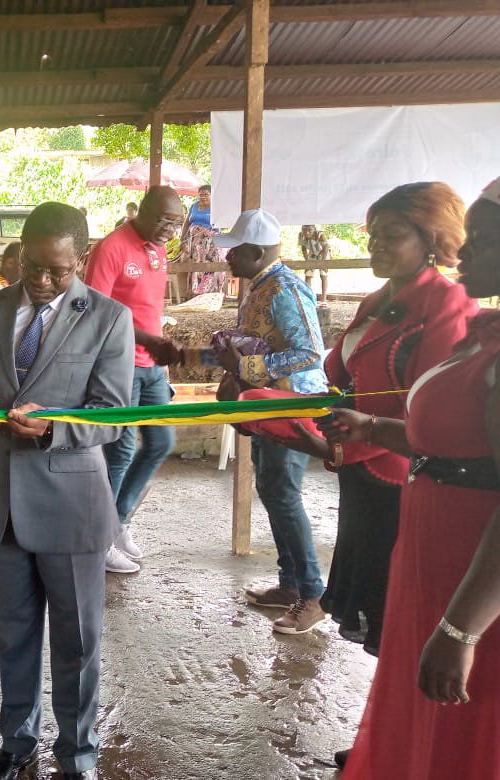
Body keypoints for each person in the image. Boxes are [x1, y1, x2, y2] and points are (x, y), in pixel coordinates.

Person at [0, 202, 134, 780]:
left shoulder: (107, 318)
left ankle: (77, 753)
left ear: (80, 259)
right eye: (34, 266)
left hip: (72, 505)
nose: (44, 280)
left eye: (58, 270)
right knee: (14, 634)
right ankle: (17, 740)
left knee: (76, 642)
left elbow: (114, 415)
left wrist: (54, 428)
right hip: (0, 504)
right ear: (20, 251)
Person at [319, 176, 500, 778]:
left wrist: (460, 627)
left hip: (469, 554)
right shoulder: (482, 335)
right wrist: (367, 425)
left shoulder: (457, 315)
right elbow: (438, 433)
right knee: (418, 682)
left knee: (464, 703)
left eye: (482, 240)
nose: (464, 253)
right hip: (430, 530)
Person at [276, 183, 477, 658]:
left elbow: (428, 416)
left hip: (401, 481)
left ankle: (402, 726)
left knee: (401, 618)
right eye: (372, 236)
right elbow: (343, 380)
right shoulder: (380, 298)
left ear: (431, 240)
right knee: (378, 608)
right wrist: (275, 406)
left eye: (391, 235)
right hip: (363, 478)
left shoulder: (446, 305)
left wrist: (338, 444)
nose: (375, 247)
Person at [211, 209, 330, 635]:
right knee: (272, 488)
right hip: (268, 403)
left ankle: (313, 595)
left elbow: (310, 353)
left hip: (291, 404)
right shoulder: (260, 285)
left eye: (235, 252)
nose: (227, 259)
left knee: (282, 493)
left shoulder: (287, 288)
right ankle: (290, 583)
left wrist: (248, 364)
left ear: (257, 252)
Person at [83, 186, 185, 574]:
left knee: (162, 441)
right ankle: (99, 538)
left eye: (175, 223)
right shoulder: (110, 248)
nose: (169, 230)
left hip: (153, 368)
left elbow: (147, 308)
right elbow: (95, 314)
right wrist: (148, 340)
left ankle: (118, 522)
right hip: (118, 366)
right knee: (120, 451)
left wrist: (160, 352)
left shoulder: (158, 250)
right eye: (163, 220)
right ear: (140, 210)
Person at [179, 185, 227, 295]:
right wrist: (182, 239)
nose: (203, 197)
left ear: (211, 195)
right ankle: (195, 290)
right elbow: (187, 223)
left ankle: (211, 291)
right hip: (194, 241)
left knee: (211, 263)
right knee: (196, 262)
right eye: (201, 194)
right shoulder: (193, 206)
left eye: (206, 194)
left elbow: (222, 225)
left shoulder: (216, 207)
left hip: (210, 242)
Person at [299, 224, 331, 303]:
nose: (307, 232)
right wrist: (306, 260)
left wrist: (323, 261)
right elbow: (303, 248)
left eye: (310, 230)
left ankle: (323, 300)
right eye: (305, 230)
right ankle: (309, 297)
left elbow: (326, 247)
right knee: (308, 275)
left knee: (323, 274)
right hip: (312, 253)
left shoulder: (320, 234)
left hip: (323, 253)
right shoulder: (301, 235)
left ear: (314, 229)